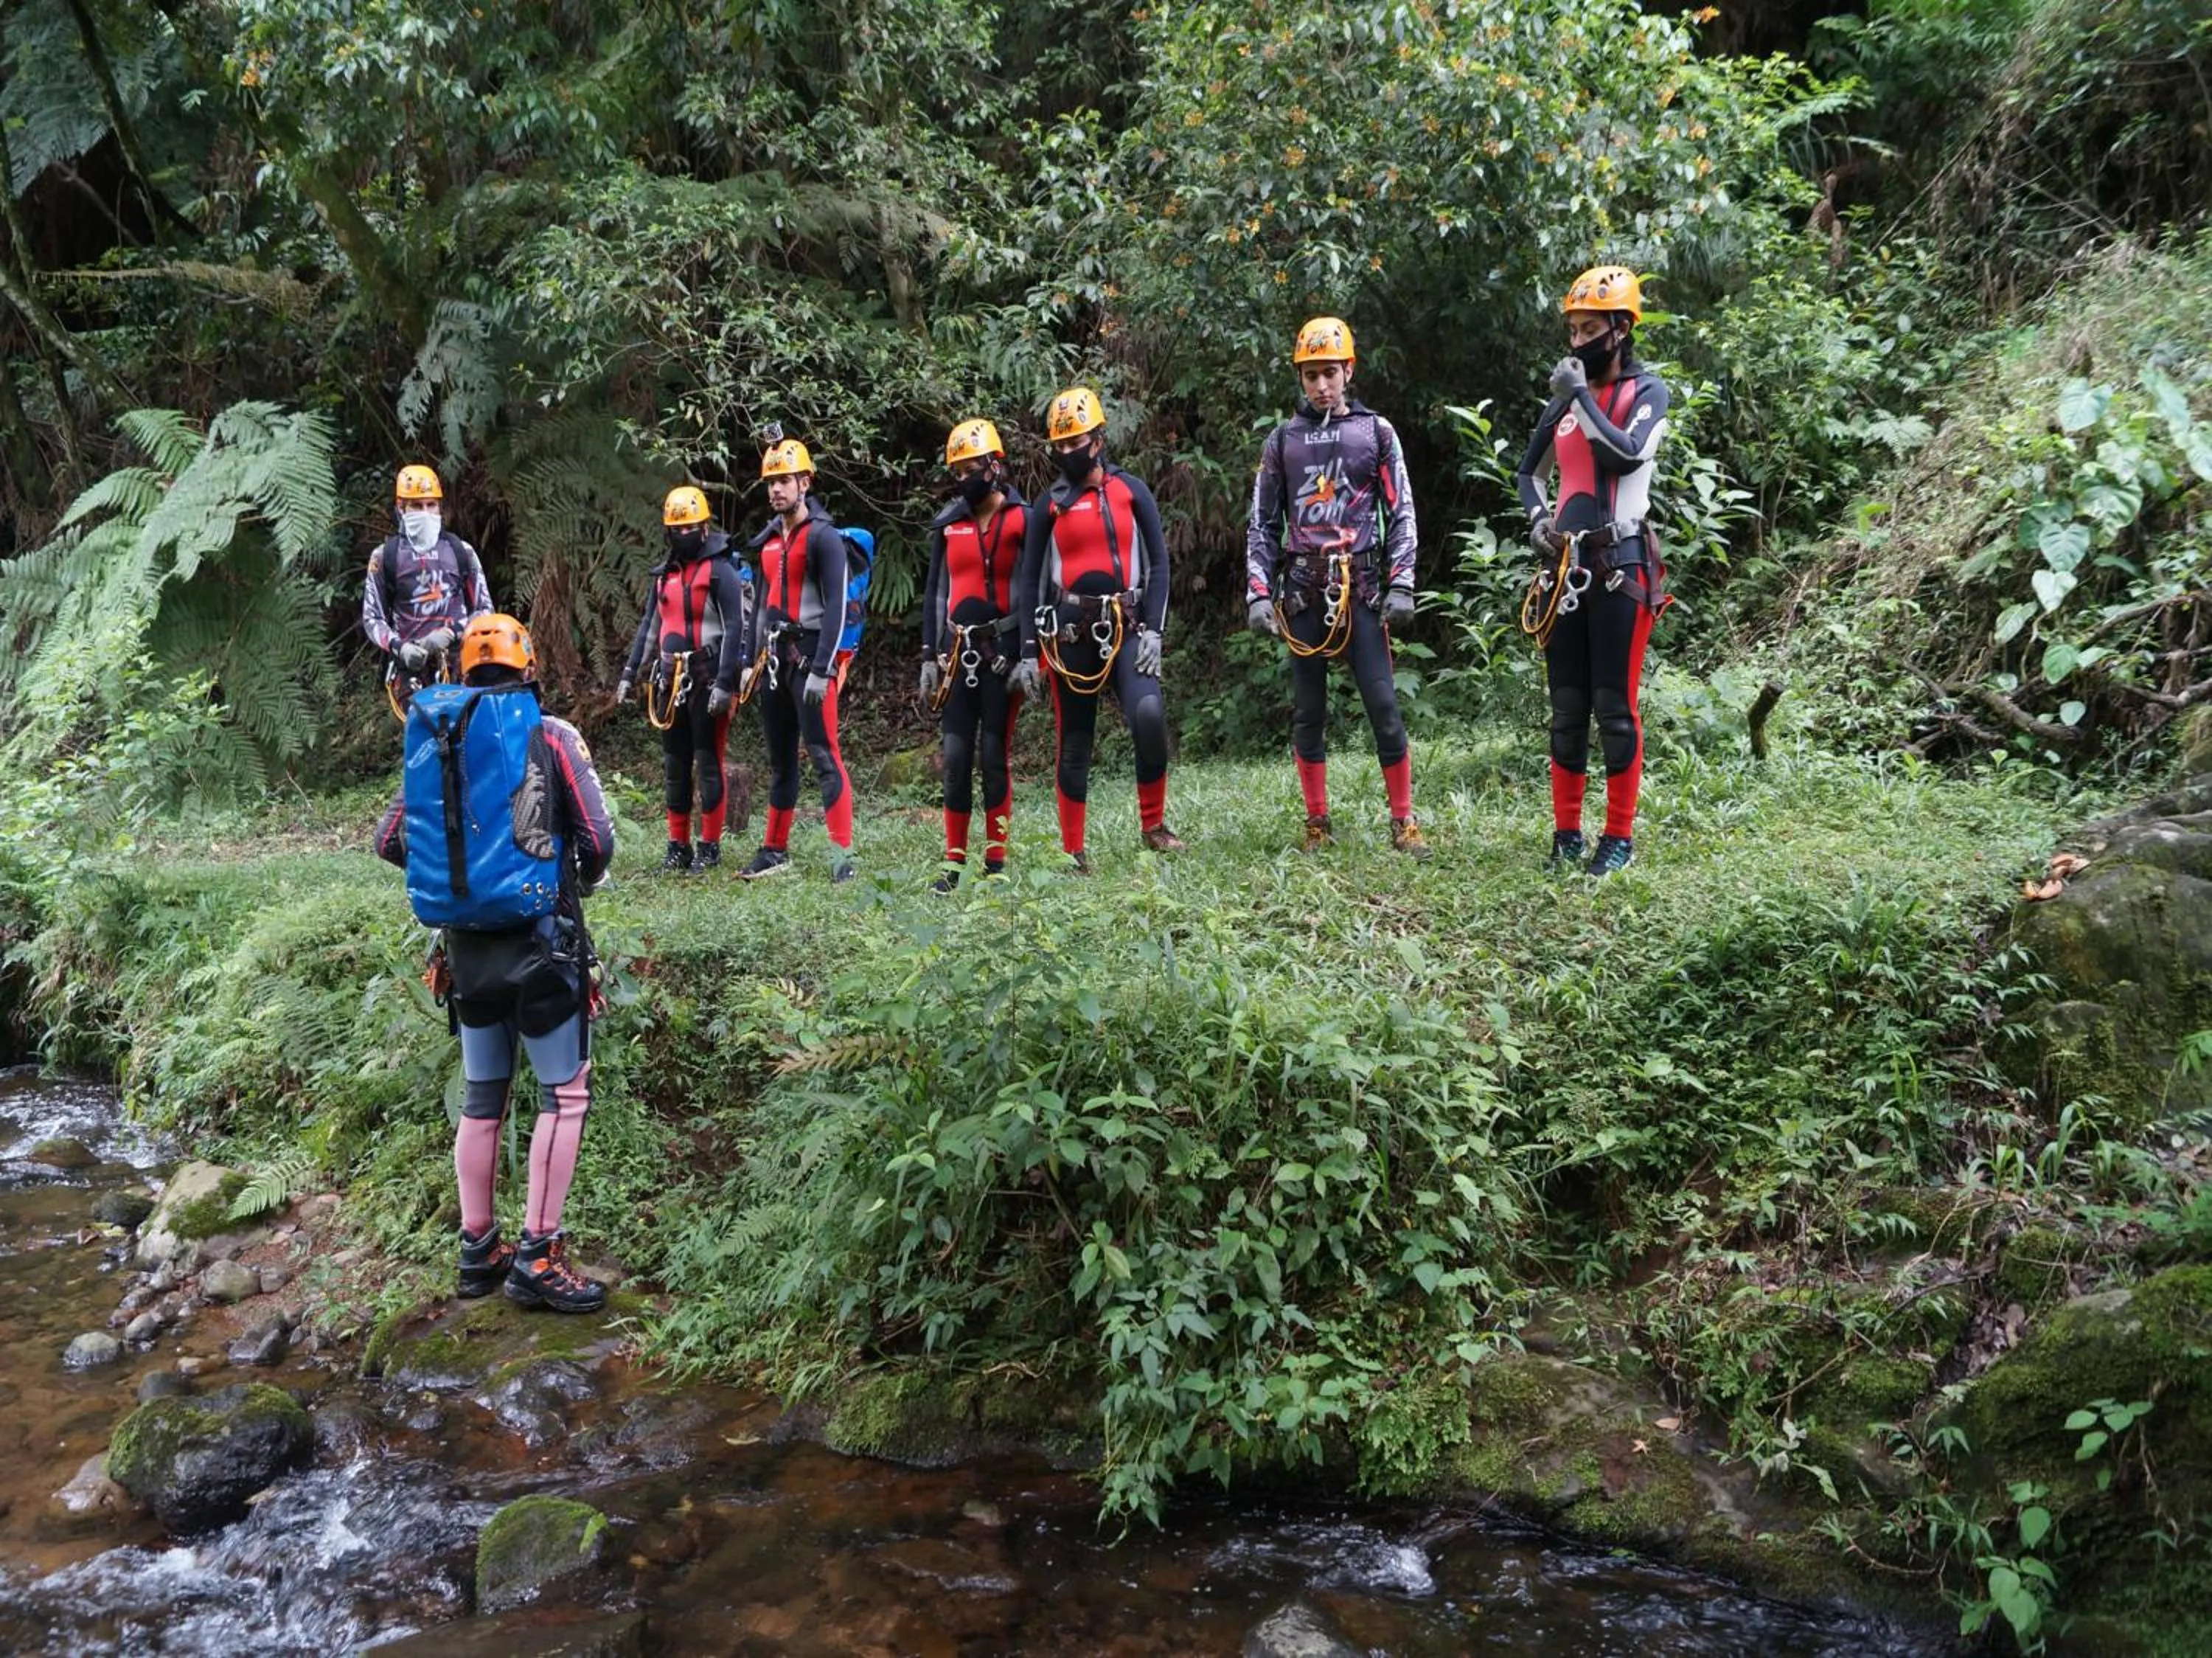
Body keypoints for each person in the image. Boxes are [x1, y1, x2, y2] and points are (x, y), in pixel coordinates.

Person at [375, 613, 613, 1314]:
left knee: (484, 1098)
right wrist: (573, 879)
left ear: (461, 675)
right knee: (564, 1096)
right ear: (529, 668)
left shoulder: (439, 735)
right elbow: (598, 840)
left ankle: (479, 1248)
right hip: (542, 947)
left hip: (465, 954)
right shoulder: (552, 736)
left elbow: (391, 839)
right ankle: (540, 1253)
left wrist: (464, 889)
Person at [1245, 316, 1430, 859]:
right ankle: (1317, 822)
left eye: (1330, 373)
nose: (1321, 385)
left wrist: (1403, 582)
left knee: (1383, 704)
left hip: (1364, 588)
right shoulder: (1283, 440)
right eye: (1311, 376)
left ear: (1349, 370)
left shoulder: (1377, 432)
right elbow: (1261, 522)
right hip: (1303, 588)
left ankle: (1403, 821)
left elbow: (1402, 511)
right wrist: (1258, 591)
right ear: (1300, 379)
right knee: (1308, 710)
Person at [1514, 265, 1672, 878]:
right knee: (1567, 705)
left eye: (1590, 329)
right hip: (1565, 571)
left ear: (1621, 329)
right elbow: (1531, 472)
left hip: (1620, 566)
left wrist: (1579, 395)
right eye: (1572, 330)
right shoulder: (1562, 404)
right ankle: (1566, 833)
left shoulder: (1647, 392)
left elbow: (1626, 455)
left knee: (1614, 704)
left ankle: (1619, 836)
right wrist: (1536, 523)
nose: (1578, 341)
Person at [1010, 388, 1183, 871]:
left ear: (1099, 438)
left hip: (1127, 623)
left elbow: (1161, 565)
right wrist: (1029, 651)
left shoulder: (1131, 490)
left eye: (1077, 441)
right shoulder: (1047, 505)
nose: (1068, 452)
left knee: (1148, 715)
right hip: (1069, 632)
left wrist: (1154, 631)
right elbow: (1030, 580)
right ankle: (1073, 851)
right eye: (1060, 445)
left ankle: (1153, 825)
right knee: (1075, 741)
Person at [616, 485, 755, 874]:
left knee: (708, 763)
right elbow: (649, 626)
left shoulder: (721, 570)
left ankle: (709, 847)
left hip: (708, 675)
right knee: (675, 765)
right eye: (676, 529)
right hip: (668, 680)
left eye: (690, 528)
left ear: (705, 527)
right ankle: (678, 846)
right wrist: (630, 674)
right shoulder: (664, 577)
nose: (683, 535)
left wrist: (726, 684)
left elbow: (735, 628)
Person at [740, 436, 856, 882]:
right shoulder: (770, 541)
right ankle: (774, 848)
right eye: (770, 482)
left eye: (784, 481)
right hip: (774, 660)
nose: (776, 490)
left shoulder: (824, 537)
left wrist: (824, 668)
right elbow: (764, 604)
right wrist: (751, 659)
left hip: (810, 655)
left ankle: (841, 856)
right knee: (781, 759)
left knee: (825, 754)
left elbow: (837, 608)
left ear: (805, 482)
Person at [920, 418, 1029, 892]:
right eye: (957, 471)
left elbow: (1031, 588)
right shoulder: (948, 524)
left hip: (1001, 649)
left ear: (995, 465)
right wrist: (929, 654)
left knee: (993, 755)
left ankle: (997, 861)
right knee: (957, 754)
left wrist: (1029, 654)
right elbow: (934, 594)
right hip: (956, 652)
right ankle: (954, 862)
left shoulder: (1022, 519)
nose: (965, 478)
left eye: (972, 468)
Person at [361, 463, 494, 717]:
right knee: (424, 742)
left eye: (431, 505)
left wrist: (453, 633)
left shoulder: (461, 552)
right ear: (401, 508)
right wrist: (399, 647)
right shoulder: (384, 557)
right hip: (412, 669)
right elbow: (372, 618)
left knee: (466, 737)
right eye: (416, 506)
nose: (425, 512)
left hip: (460, 663)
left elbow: (485, 609)